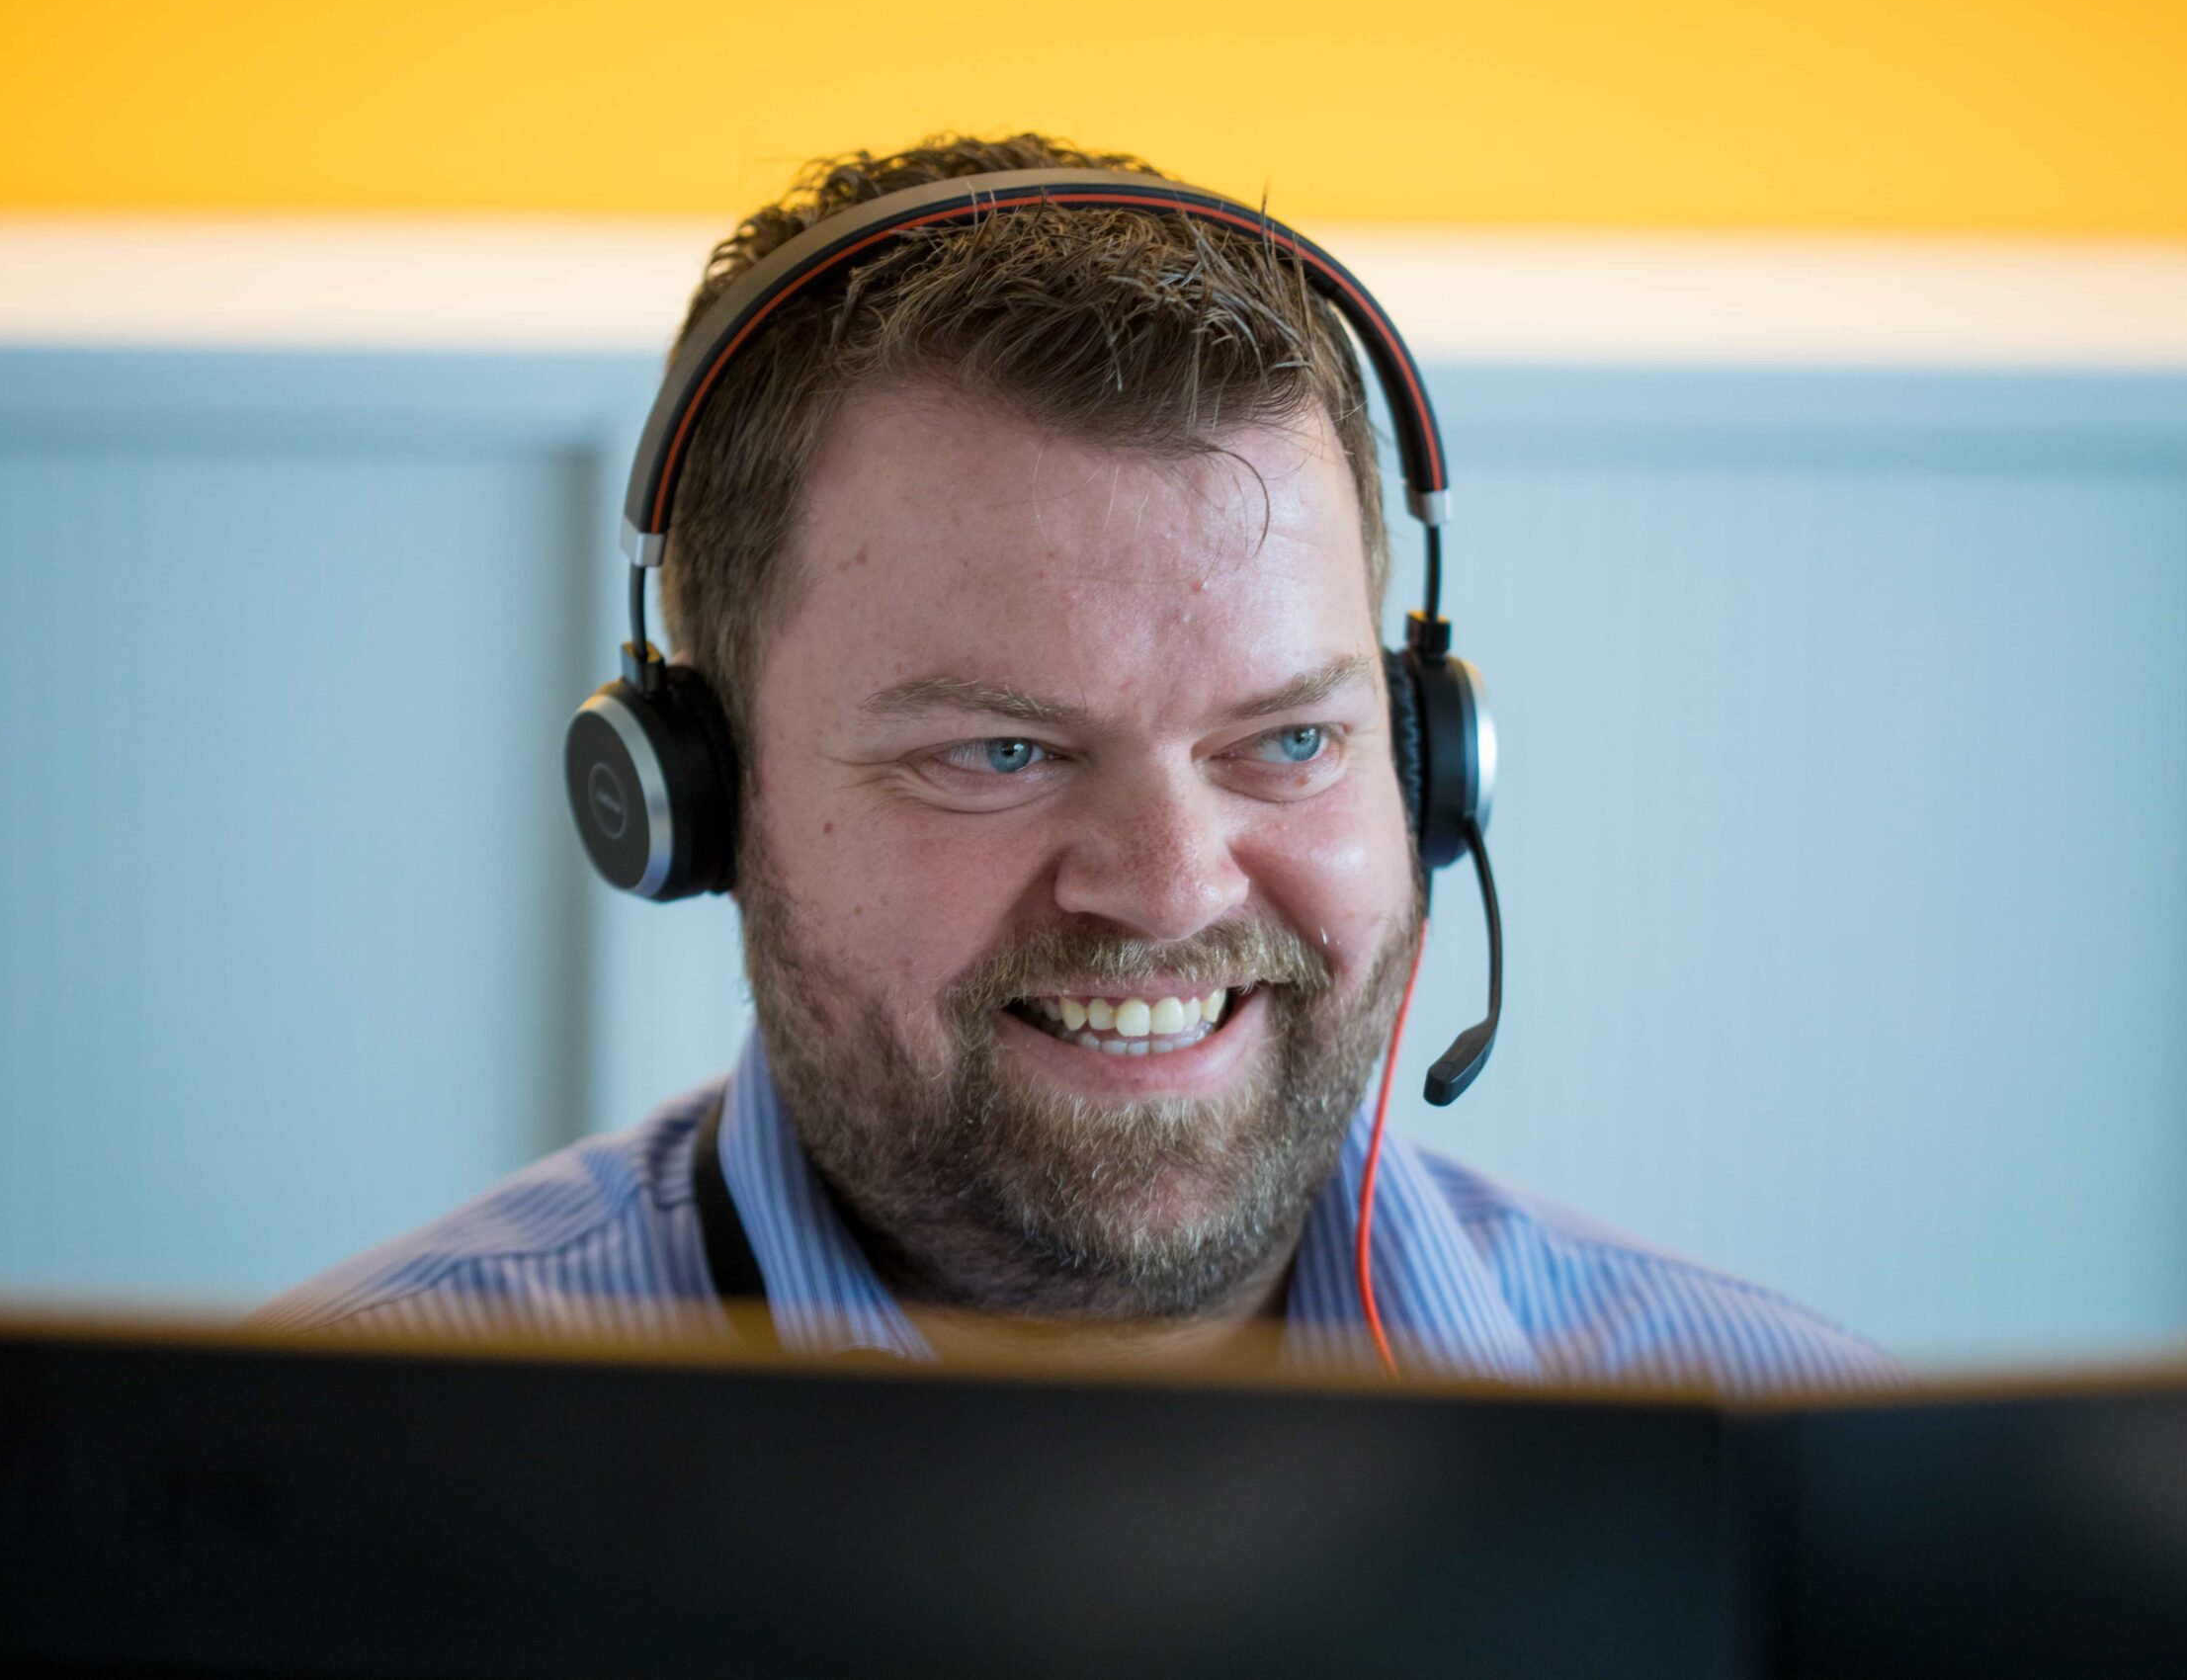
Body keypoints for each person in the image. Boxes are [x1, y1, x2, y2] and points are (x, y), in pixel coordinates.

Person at [257, 132, 1896, 1389]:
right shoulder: (319, 1487)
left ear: (1427, 762)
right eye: (1001, 749)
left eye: (1291, 739)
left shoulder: (1794, 1469)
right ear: (702, 795)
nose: (1172, 887)